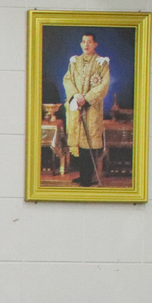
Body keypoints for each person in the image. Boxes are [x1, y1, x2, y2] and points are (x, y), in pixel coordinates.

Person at [62, 32, 110, 187]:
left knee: (89, 142)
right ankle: (83, 175)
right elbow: (67, 79)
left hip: (92, 108)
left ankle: (88, 177)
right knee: (79, 142)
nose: (86, 45)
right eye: (83, 42)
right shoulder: (75, 62)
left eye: (89, 42)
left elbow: (104, 85)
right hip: (77, 106)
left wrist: (87, 98)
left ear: (95, 44)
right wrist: (76, 95)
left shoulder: (101, 63)